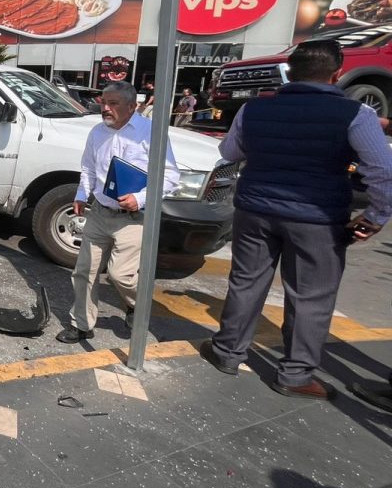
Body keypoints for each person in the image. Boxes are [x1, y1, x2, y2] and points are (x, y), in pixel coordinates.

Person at [202, 39, 392, 398]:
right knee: (310, 296)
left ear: (289, 73)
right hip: (317, 218)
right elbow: (382, 172)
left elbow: (230, 151)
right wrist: (376, 215)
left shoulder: (253, 109)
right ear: (336, 74)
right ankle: (295, 375)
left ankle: (227, 352)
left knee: (246, 282)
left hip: (255, 210)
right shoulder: (357, 114)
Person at [58, 81, 179, 343]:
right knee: (84, 271)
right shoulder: (97, 132)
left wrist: (139, 198)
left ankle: (136, 305)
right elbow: (88, 168)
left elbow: (170, 176)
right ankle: (81, 324)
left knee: (120, 274)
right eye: (104, 102)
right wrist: (81, 195)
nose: (106, 108)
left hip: (133, 218)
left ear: (132, 106)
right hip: (100, 212)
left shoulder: (150, 132)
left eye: (113, 103)